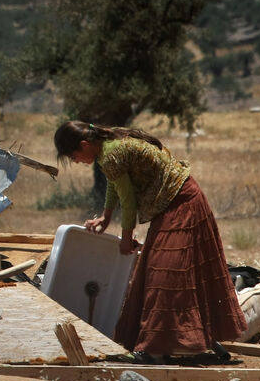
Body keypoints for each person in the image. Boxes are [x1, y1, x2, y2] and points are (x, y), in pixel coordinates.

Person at [54, 120, 245, 362]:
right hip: (172, 203)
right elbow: (116, 185)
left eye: (74, 155)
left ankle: (159, 350)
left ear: (84, 144)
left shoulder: (113, 153)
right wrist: (106, 215)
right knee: (160, 272)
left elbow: (129, 202)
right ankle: (173, 343)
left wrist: (126, 239)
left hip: (182, 201)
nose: (76, 161)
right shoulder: (107, 151)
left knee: (164, 274)